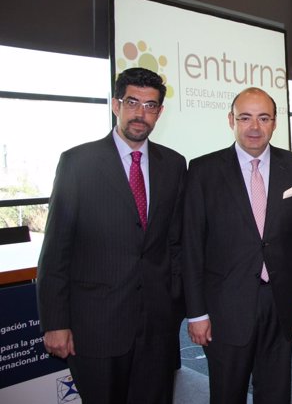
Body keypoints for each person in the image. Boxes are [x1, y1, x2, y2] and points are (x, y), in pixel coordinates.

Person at [37, 67, 187, 404]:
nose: (140, 113)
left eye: (150, 106)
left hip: (156, 329)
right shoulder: (78, 163)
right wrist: (55, 322)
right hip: (95, 327)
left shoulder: (174, 165)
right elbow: (56, 250)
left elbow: (174, 243)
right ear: (116, 105)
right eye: (132, 102)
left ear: (159, 112)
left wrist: (175, 303)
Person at [182, 87, 292, 404]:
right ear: (231, 120)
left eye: (263, 118)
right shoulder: (204, 170)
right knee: (227, 393)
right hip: (224, 307)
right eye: (245, 118)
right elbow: (191, 248)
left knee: (275, 393)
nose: (254, 127)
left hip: (281, 302)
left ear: (275, 123)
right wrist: (196, 313)